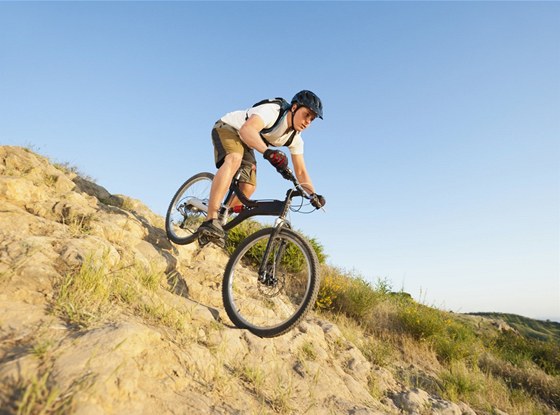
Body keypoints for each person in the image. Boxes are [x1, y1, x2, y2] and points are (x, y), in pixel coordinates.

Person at [197, 90, 326, 243]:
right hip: (229, 128)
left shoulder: (296, 139)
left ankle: (219, 220)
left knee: (249, 187)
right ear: (294, 107)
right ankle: (210, 218)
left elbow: (301, 171)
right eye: (306, 115)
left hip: (247, 142)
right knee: (234, 158)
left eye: (312, 119)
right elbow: (247, 130)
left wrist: (313, 195)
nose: (308, 121)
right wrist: (268, 152)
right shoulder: (273, 111)